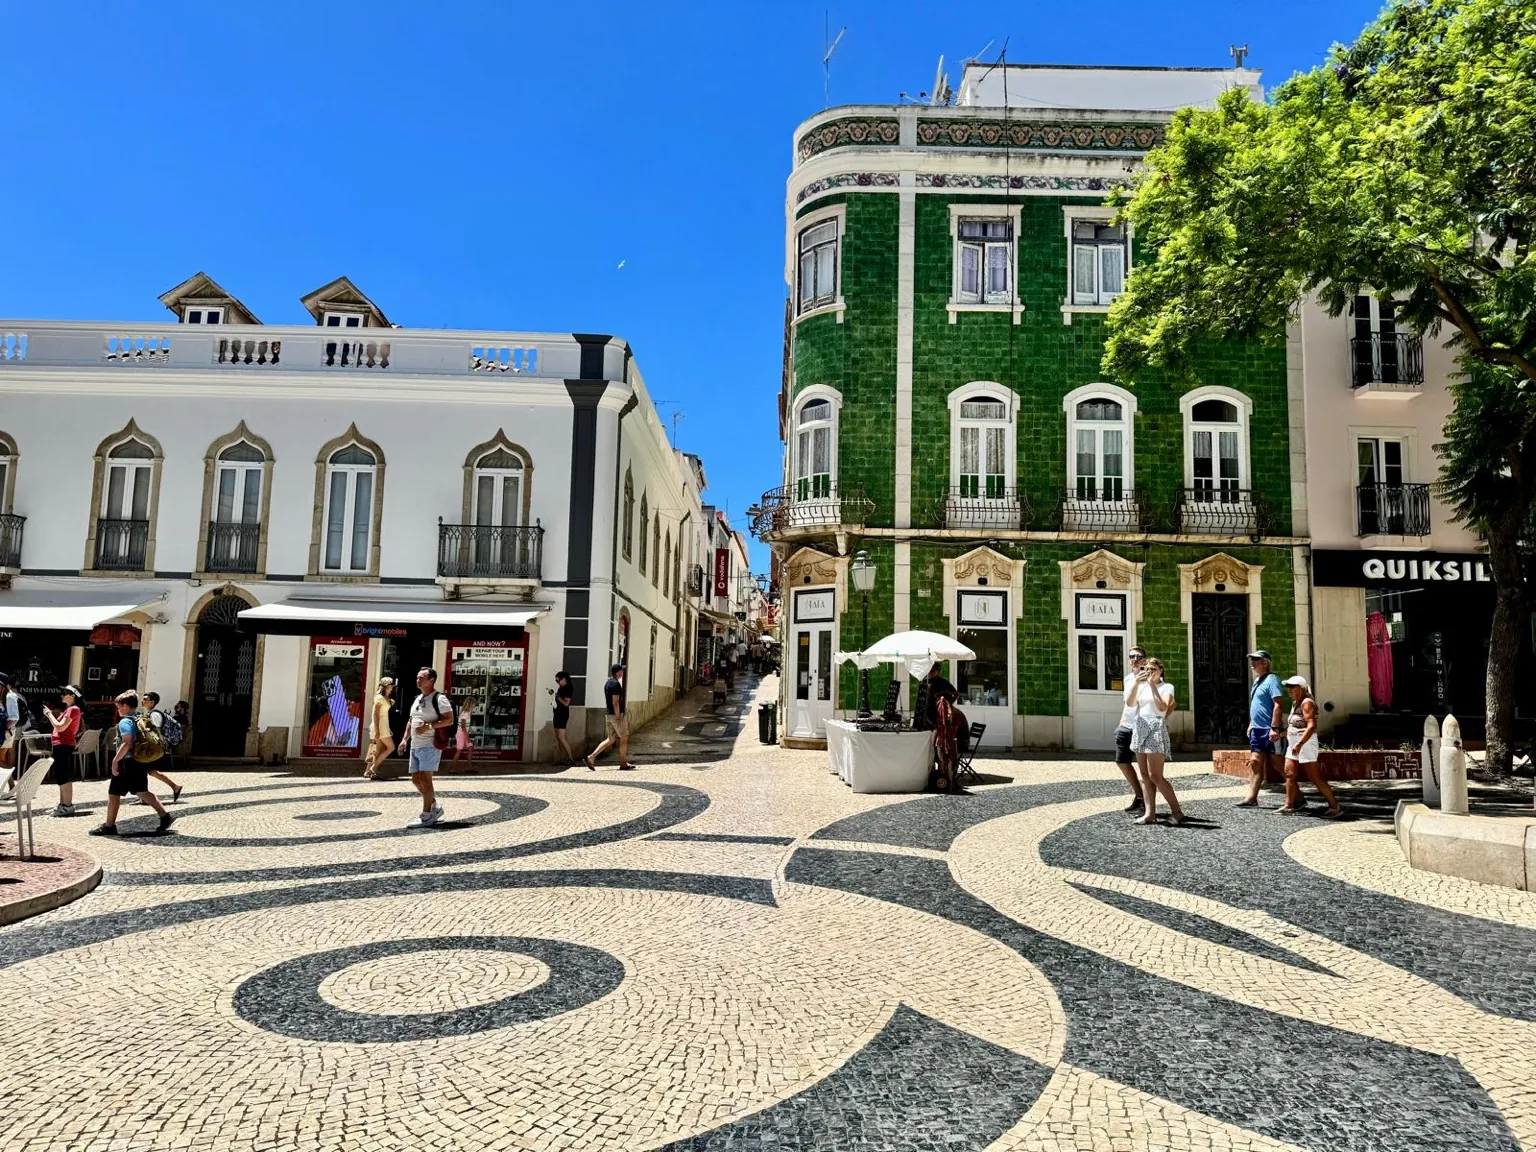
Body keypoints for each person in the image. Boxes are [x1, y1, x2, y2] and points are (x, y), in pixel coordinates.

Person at [89, 691, 173, 836]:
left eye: (119, 706)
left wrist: (115, 761)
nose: (118, 709)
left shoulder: (125, 722)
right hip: (139, 760)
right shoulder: (140, 718)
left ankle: (109, 826)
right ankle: (165, 816)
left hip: (126, 762)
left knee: (114, 793)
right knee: (142, 790)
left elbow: (127, 742)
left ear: (126, 706)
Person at [1125, 657, 1187, 826]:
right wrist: (1137, 684)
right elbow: (1130, 703)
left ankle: (1177, 812)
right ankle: (1149, 813)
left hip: (1155, 728)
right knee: (1144, 775)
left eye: (1153, 668)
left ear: (1161, 670)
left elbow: (1162, 708)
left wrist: (1152, 685)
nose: (1149, 671)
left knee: (1156, 776)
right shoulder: (1141, 686)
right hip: (1140, 726)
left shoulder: (1166, 687)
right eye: (1146, 668)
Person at [1278, 676, 1342, 818]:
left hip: (1305, 744)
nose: (1289, 690)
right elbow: (1294, 725)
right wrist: (1282, 734)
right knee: (1289, 773)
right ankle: (1289, 805)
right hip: (1294, 744)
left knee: (1314, 776)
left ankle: (1334, 806)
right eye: (1288, 687)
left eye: (1292, 687)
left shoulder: (1307, 703)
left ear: (1301, 688)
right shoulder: (1296, 703)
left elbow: (1311, 725)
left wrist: (1300, 744)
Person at [405, 667, 455, 828]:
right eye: (417, 677)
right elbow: (411, 720)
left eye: (422, 678)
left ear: (431, 680)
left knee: (426, 780)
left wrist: (429, 726)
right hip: (415, 745)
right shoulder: (418, 698)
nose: (418, 680)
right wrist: (404, 739)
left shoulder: (439, 699)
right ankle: (434, 806)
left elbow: (449, 720)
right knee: (416, 779)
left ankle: (427, 815)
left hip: (430, 745)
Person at [1238, 650, 1286, 808]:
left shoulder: (1273, 680)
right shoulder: (1257, 681)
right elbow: (1257, 706)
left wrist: (1274, 727)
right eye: (1252, 660)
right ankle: (1251, 797)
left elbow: (1278, 704)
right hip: (1257, 729)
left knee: (1280, 765)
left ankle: (1297, 797)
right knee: (1255, 763)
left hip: (1270, 729)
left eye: (1256, 660)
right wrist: (1252, 723)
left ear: (1265, 662)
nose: (1252, 663)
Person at [1110, 648, 1150, 814]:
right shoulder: (1127, 679)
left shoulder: (1150, 679)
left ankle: (1147, 805)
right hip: (1126, 726)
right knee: (1122, 762)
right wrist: (1120, 724)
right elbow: (1127, 704)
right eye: (1131, 657)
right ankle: (1139, 796)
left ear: (1144, 660)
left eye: (1138, 657)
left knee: (1144, 770)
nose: (1134, 659)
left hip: (1141, 726)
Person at [43, 685, 84, 816]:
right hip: (60, 744)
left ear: (72, 696)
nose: (61, 695)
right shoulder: (70, 710)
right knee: (60, 774)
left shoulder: (73, 709)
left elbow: (60, 727)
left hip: (64, 744)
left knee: (63, 774)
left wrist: (49, 715)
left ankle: (67, 805)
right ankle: (63, 804)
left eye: (64, 693)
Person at [585, 663, 634, 771]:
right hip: (616, 715)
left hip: (609, 714)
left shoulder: (608, 683)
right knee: (624, 738)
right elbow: (615, 702)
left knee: (611, 739)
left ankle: (591, 757)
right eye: (622, 670)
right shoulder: (616, 684)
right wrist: (618, 717)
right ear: (618, 672)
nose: (623, 672)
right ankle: (623, 763)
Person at [140, 692, 184, 802]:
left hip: (154, 748)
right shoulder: (150, 714)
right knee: (148, 770)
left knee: (148, 770)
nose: (142, 701)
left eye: (145, 699)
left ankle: (174, 787)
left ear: (152, 702)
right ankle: (144, 795)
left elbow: (155, 731)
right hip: (153, 747)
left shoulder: (154, 715)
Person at [362, 677, 395, 780]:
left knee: (378, 749)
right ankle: (373, 767)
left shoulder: (385, 698)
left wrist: (390, 702)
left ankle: (368, 771)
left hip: (383, 725)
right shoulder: (379, 698)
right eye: (391, 684)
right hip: (380, 726)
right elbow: (375, 714)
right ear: (386, 686)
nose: (392, 686)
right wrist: (377, 730)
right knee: (391, 747)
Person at [552, 671, 575, 764]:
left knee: (561, 737)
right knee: (558, 738)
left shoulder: (568, 688)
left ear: (564, 679)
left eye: (558, 680)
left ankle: (570, 758)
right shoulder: (561, 687)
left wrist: (557, 697)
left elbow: (566, 703)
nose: (557, 682)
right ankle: (561, 759)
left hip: (562, 714)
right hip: (557, 713)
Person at [452, 700, 475, 767]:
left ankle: (469, 766)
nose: (474, 706)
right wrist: (467, 737)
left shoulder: (466, 712)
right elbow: (463, 726)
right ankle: (453, 767)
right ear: (470, 704)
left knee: (470, 749)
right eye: (473, 704)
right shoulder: (465, 713)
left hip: (463, 733)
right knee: (459, 750)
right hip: (461, 733)